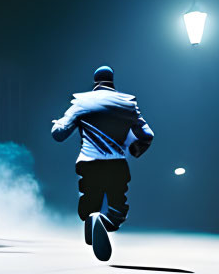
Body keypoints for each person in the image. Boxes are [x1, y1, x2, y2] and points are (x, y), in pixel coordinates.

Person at [50, 65, 153, 261]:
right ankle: (105, 221)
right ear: (112, 81)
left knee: (89, 204)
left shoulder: (81, 103)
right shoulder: (128, 104)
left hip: (89, 164)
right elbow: (148, 134)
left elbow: (59, 134)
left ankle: (92, 218)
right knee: (118, 211)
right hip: (117, 164)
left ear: (94, 81)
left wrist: (56, 124)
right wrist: (136, 149)